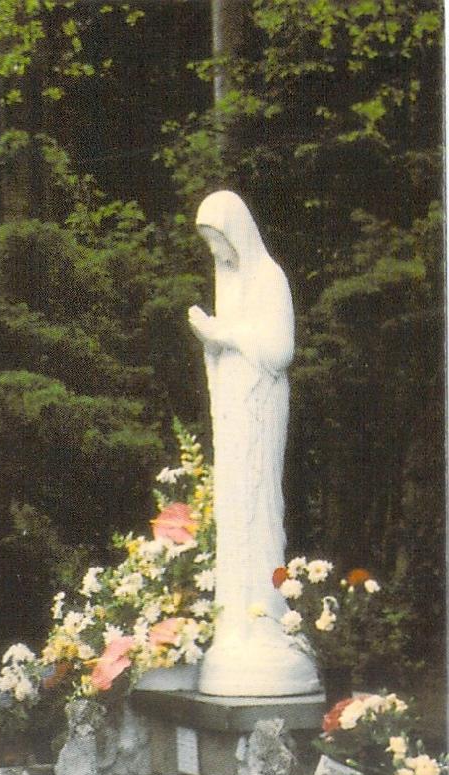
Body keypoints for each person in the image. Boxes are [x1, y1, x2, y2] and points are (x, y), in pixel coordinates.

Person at [188, 190, 318, 698]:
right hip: (236, 416)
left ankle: (266, 624)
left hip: (262, 411)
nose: (216, 252)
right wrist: (212, 340)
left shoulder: (268, 278)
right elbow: (223, 357)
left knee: (260, 511)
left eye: (219, 240)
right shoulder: (231, 283)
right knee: (233, 515)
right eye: (208, 244)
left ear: (237, 232)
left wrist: (224, 334)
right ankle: (234, 627)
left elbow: (279, 348)